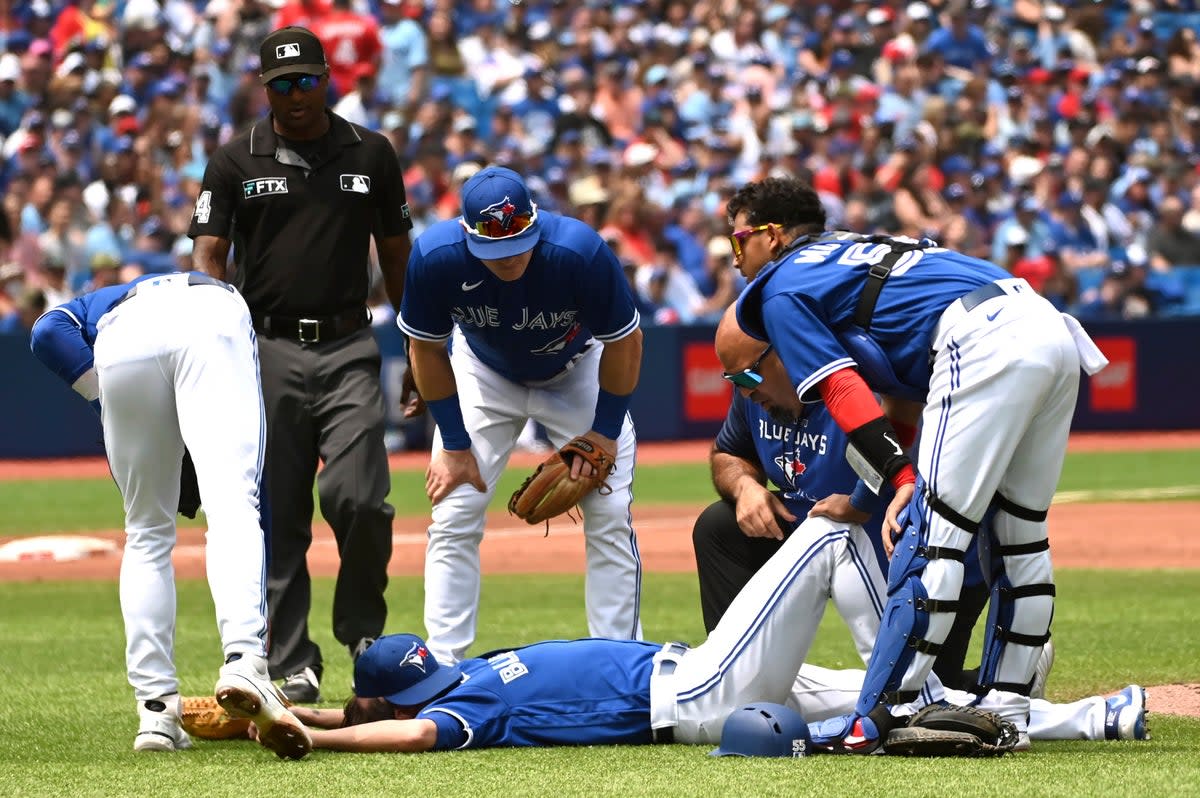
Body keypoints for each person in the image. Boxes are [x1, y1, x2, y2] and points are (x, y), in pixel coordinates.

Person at [723, 176, 1108, 752]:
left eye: (739, 241)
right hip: (1045, 324)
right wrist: (862, 497)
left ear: (772, 237)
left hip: (980, 337)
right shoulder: (854, 249)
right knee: (1020, 537)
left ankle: (881, 717)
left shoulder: (780, 287)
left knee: (935, 537)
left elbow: (842, 389)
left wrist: (903, 479)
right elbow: (901, 397)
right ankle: (1009, 708)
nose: (736, 259)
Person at [188, 26, 414, 703]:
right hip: (266, 348)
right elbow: (207, 259)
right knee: (277, 512)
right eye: (281, 84)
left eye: (306, 80)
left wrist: (419, 353)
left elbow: (399, 256)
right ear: (265, 89)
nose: (295, 95)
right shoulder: (234, 162)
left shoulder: (371, 153)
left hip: (350, 344)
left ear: (326, 79)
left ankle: (362, 632)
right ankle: (293, 659)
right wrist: (211, 351)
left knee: (360, 500)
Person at [28, 271, 310, 760]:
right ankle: (244, 663)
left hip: (124, 340)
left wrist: (107, 400)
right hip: (211, 316)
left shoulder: (96, 305)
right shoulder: (208, 288)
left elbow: (46, 332)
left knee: (145, 534)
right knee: (231, 509)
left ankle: (156, 711)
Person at [397, 165, 644, 666]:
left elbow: (626, 341)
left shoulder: (580, 251)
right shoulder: (434, 256)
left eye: (518, 244)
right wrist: (454, 443)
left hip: (576, 370)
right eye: (494, 250)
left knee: (610, 514)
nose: (508, 259)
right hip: (484, 373)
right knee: (453, 512)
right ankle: (443, 666)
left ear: (535, 222)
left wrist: (605, 431)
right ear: (467, 235)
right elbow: (424, 350)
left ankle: (622, 663)